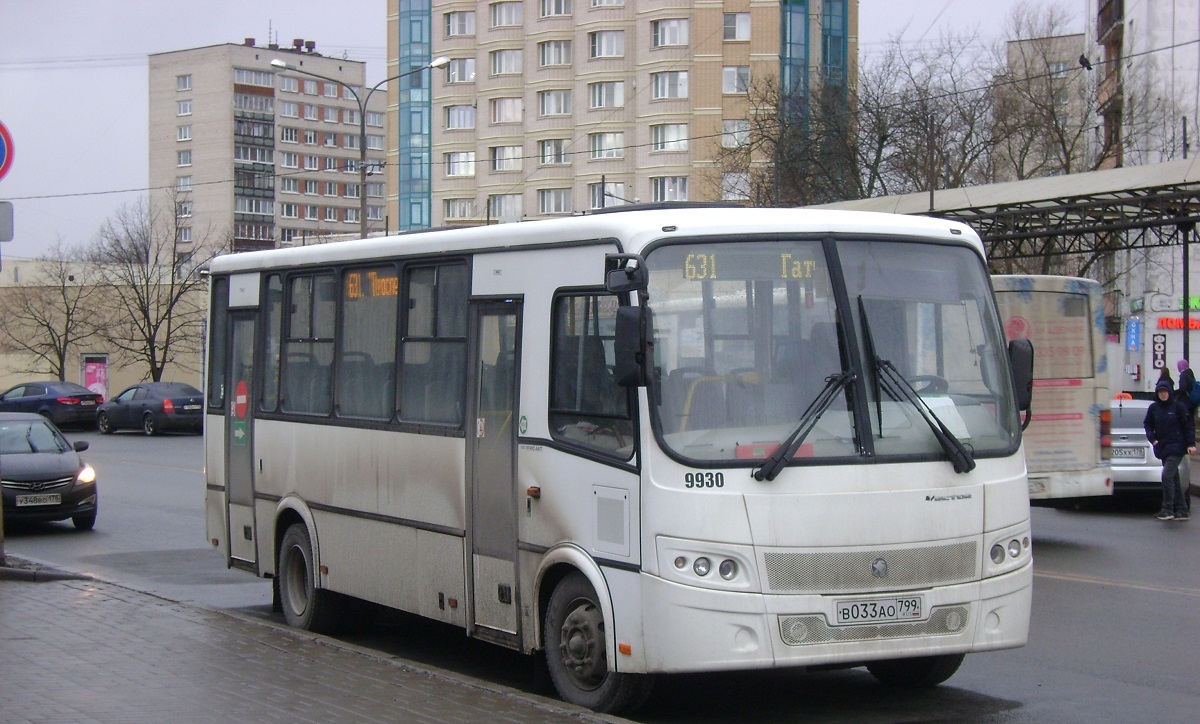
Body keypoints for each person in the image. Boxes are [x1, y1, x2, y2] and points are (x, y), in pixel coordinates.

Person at [1143, 378, 1194, 521]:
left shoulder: (1178, 406)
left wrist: (1190, 444)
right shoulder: (1154, 408)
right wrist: (1153, 439)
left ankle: (1167, 509)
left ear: (1169, 392)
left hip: (1177, 447)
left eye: (1165, 391)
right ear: (1157, 393)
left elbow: (1188, 425)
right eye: (1161, 392)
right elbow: (1147, 424)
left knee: (1166, 476)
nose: (1163, 394)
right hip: (1163, 448)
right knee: (1174, 478)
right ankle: (1182, 510)